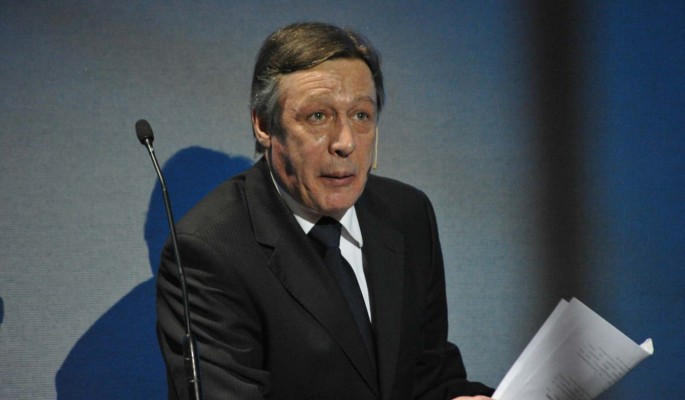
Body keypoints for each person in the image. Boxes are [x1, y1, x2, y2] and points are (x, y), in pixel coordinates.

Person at [156, 22, 494, 400]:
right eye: (318, 116)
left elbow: (427, 375)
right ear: (264, 125)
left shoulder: (408, 215)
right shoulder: (209, 252)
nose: (345, 142)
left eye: (361, 116)